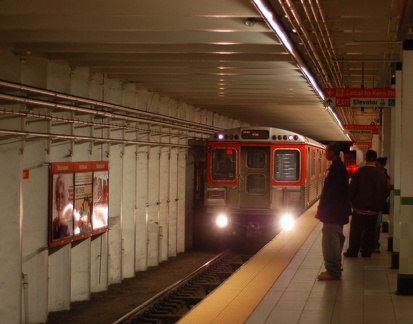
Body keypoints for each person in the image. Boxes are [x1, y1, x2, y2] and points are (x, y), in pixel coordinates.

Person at [316, 142, 351, 280]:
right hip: (336, 212)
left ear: (332, 152)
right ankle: (335, 267)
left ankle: (333, 271)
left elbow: (332, 194)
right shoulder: (339, 168)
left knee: (330, 241)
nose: (325, 154)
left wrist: (325, 210)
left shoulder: (336, 170)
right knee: (335, 239)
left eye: (326, 151)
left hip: (333, 213)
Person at [344, 150, 388, 258]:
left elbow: (352, 189)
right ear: (375, 158)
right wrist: (379, 204)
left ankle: (353, 251)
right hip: (374, 209)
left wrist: (351, 202)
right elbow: (385, 191)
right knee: (370, 231)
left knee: (356, 230)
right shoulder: (381, 175)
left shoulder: (359, 172)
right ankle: (367, 251)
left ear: (366, 158)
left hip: (359, 208)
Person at [374, 157, 391, 252]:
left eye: (377, 164)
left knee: (376, 224)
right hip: (376, 203)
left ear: (381, 165)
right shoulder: (384, 176)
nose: (375, 166)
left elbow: (387, 189)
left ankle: (375, 244)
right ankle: (372, 244)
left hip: (378, 204)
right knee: (375, 224)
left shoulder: (385, 176)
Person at [52, 175, 71, 240]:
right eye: (57, 196)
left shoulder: (65, 225)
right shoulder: (54, 224)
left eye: (62, 196)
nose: (59, 200)